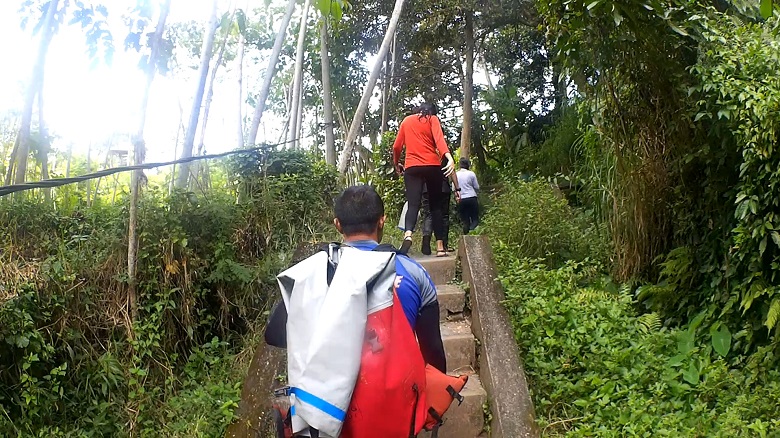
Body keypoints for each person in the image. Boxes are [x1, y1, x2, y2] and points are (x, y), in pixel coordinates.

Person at [265, 185, 446, 372]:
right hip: (395, 391)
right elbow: (432, 350)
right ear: (382, 221)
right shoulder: (413, 271)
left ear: (338, 224)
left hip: (333, 395)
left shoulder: (317, 270)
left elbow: (274, 335)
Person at [393, 103, 456, 257]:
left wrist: (396, 164)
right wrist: (449, 158)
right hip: (432, 166)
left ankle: (408, 235)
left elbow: (396, 147)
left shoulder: (406, 121)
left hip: (412, 166)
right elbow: (440, 141)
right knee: (436, 207)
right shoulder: (433, 119)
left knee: (413, 204)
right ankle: (440, 246)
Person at [456, 157, 480, 234]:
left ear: (460, 165)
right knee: (475, 219)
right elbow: (477, 187)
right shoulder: (471, 174)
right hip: (472, 197)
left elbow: (454, 188)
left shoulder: (456, 175)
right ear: (468, 165)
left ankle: (466, 237)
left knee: (465, 220)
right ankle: (472, 231)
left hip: (461, 199)